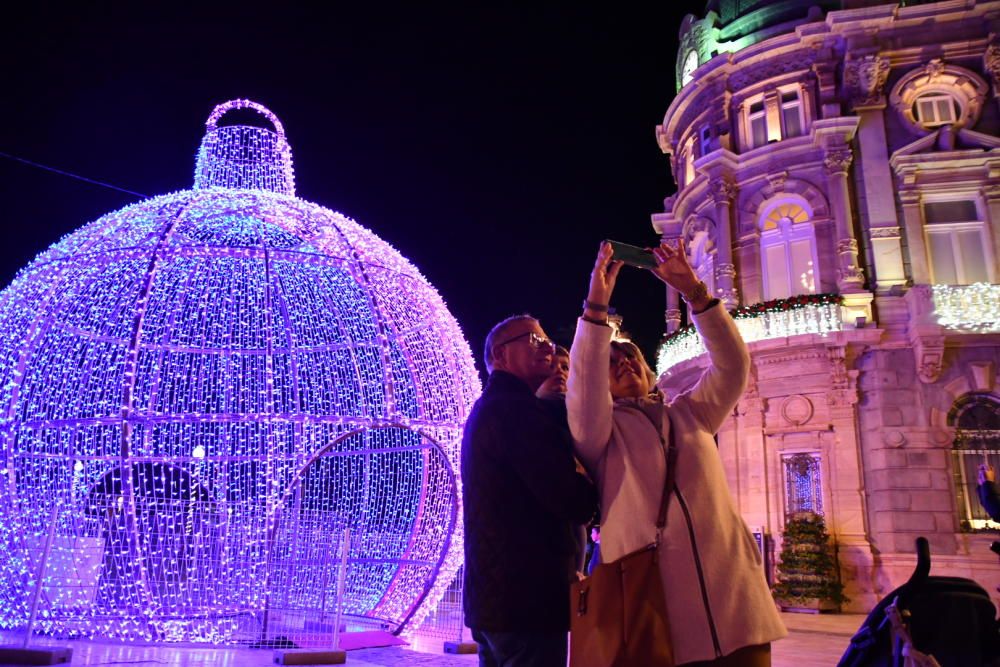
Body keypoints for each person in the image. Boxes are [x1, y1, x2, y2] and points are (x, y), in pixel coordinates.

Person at [566, 241, 787, 667]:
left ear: (649, 371)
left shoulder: (691, 412)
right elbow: (583, 389)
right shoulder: (599, 434)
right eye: (611, 362)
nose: (623, 364)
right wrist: (595, 309)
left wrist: (696, 295)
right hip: (656, 611)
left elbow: (733, 367)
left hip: (736, 608)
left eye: (630, 357)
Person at [462, 315, 598, 667]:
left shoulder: (495, 407)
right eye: (533, 340)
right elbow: (567, 496)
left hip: (500, 602)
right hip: (527, 602)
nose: (549, 349)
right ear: (500, 355)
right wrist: (590, 484)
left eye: (548, 341)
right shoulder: (515, 410)